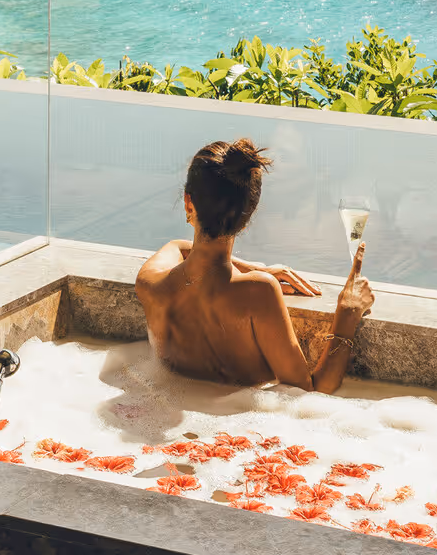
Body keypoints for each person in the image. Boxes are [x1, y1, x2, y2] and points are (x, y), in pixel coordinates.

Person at [135, 138, 372, 392]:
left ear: (188, 202)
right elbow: (306, 394)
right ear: (247, 217)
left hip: (165, 402)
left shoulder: (149, 283)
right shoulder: (258, 292)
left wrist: (252, 269)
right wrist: (347, 313)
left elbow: (179, 248)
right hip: (244, 416)